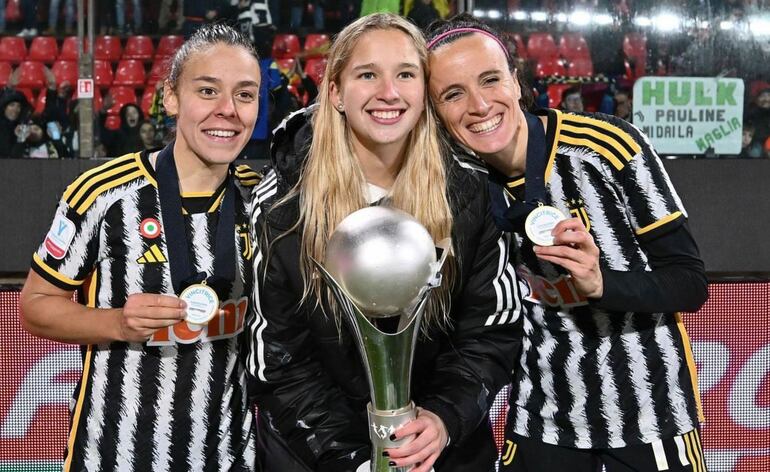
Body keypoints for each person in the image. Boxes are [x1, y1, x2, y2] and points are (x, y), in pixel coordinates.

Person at [426, 14, 709, 472]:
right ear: (436, 111)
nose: (479, 105)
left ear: (516, 82)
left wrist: (601, 285)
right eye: (453, 94)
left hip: (650, 417)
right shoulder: (455, 187)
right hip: (542, 422)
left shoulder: (608, 147)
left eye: (490, 80)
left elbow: (690, 283)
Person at [246, 13, 521, 472]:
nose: (389, 93)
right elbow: (279, 361)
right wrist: (355, 460)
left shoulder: (467, 192)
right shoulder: (282, 205)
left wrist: (442, 420)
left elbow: (489, 332)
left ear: (423, 91)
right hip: (317, 454)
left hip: (440, 454)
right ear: (335, 92)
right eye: (367, 74)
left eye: (406, 75)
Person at [19, 23, 262, 471]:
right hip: (115, 455)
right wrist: (118, 323)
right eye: (207, 91)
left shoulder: (261, 198)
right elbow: (34, 305)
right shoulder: (102, 194)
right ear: (171, 97)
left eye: (245, 95)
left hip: (230, 457)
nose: (228, 110)